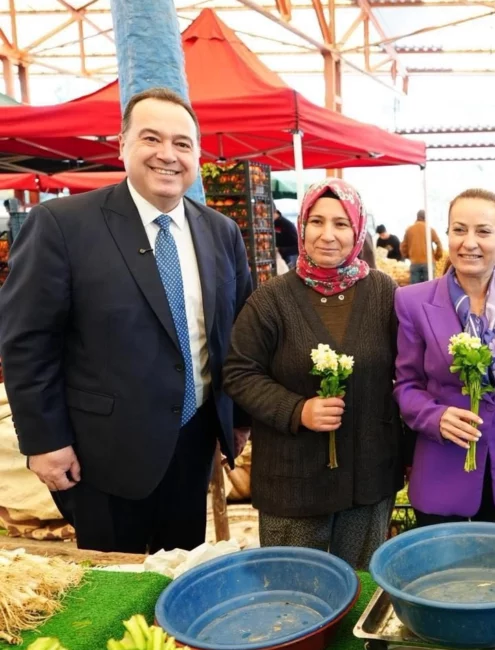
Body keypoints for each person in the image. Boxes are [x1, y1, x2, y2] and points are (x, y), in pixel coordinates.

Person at [0, 87, 252, 553]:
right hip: (103, 455)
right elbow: (26, 341)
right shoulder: (63, 224)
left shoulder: (221, 232)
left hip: (192, 445)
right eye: (151, 138)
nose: (167, 155)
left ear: (197, 154)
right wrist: (43, 440)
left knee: (177, 581)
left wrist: (236, 420)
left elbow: (237, 334)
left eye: (182, 143)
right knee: (115, 587)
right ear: (122, 145)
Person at [223, 179, 402, 569]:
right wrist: (296, 410)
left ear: (357, 231)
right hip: (294, 483)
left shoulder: (383, 293)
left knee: (360, 583)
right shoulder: (271, 299)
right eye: (316, 222)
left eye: (341, 224)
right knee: (293, 592)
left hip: (368, 478)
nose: (327, 235)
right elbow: (239, 371)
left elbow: (410, 368)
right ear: (300, 226)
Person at [394, 189, 495, 526]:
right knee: (441, 574)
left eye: (484, 231)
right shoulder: (413, 302)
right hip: (441, 463)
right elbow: (406, 385)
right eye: (459, 230)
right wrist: (435, 417)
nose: (469, 242)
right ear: (446, 234)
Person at [401, 209, 443, 284]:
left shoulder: (409, 230)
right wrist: (437, 256)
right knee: (429, 288)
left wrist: (409, 256)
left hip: (414, 263)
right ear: (425, 218)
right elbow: (439, 244)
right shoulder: (429, 229)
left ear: (417, 217)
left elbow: (403, 247)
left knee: (415, 289)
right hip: (428, 262)